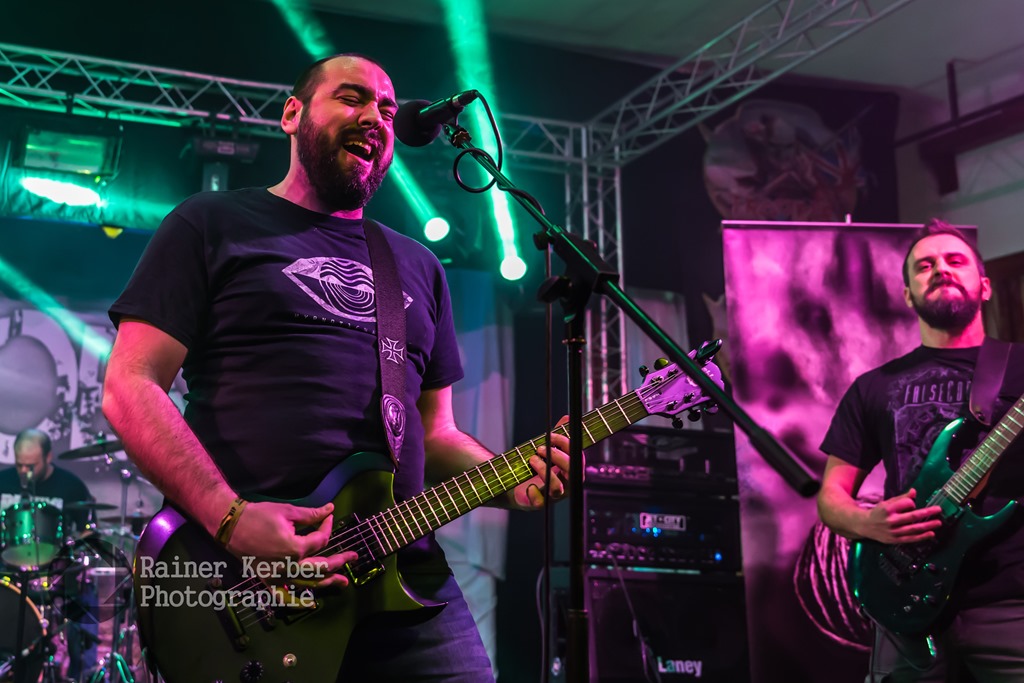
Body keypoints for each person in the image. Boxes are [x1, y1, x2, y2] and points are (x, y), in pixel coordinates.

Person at [101, 53, 571, 683]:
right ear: (292, 115)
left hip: (404, 574)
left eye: (387, 109)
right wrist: (231, 518)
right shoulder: (211, 224)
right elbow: (130, 384)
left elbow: (433, 434)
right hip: (246, 582)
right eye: (351, 98)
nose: (375, 117)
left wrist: (508, 479)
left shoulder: (417, 266)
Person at [817, 219, 1024, 682]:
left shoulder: (1019, 367)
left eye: (955, 261)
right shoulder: (874, 387)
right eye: (924, 266)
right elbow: (831, 496)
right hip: (904, 593)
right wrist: (867, 522)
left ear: (985, 286)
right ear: (908, 295)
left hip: (1010, 599)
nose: (941, 270)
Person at [0, 429, 98, 681]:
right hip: (8, 575)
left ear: (48, 457)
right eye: (20, 465)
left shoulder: (71, 486)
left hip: (56, 574)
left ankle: (81, 673)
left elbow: (89, 532)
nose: (24, 472)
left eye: (31, 465)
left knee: (86, 594)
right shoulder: (3, 481)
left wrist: (72, 550)